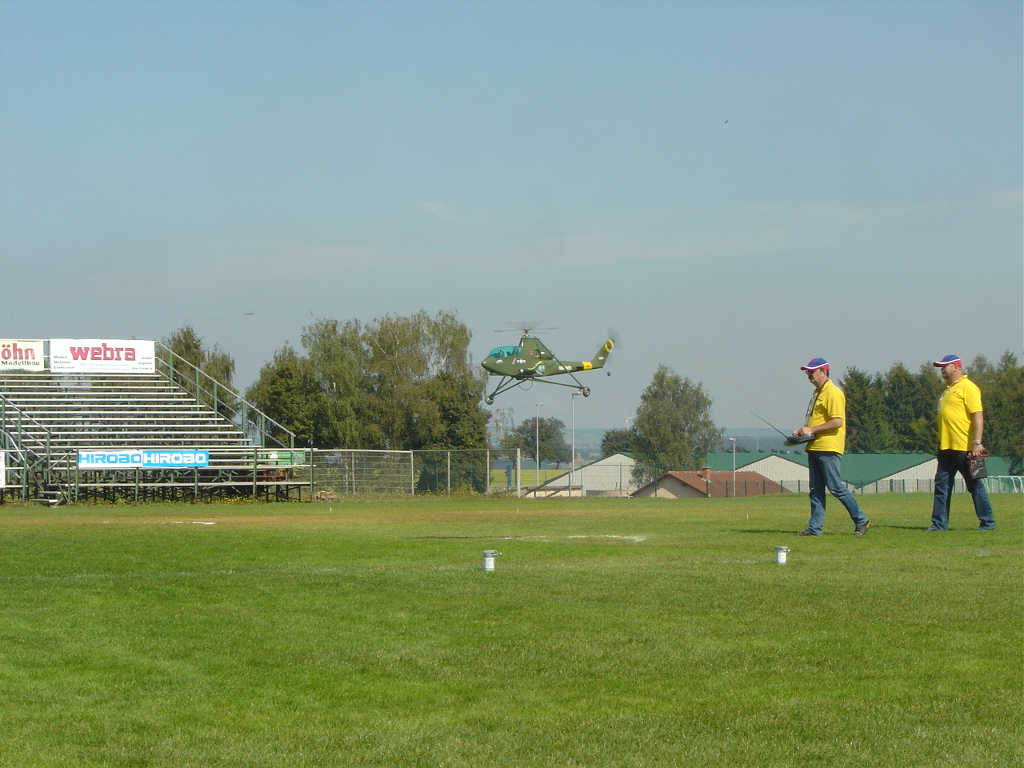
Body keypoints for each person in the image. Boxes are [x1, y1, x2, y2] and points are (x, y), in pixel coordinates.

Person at [793, 358, 870, 536]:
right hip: (815, 446)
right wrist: (802, 432)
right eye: (807, 372)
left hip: (828, 447)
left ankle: (861, 520)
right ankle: (815, 528)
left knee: (835, 487)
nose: (808, 376)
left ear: (823, 371)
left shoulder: (833, 393)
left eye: (811, 372)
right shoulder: (817, 393)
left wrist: (811, 429)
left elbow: (837, 422)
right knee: (816, 490)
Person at [928, 354, 995, 531]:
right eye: (940, 366)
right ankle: (938, 524)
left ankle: (988, 523)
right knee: (941, 487)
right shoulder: (947, 391)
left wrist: (977, 442)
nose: (942, 369)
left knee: (976, 485)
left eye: (945, 366)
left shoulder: (969, 387)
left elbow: (978, 416)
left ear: (957, 367)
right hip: (946, 449)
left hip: (967, 449)